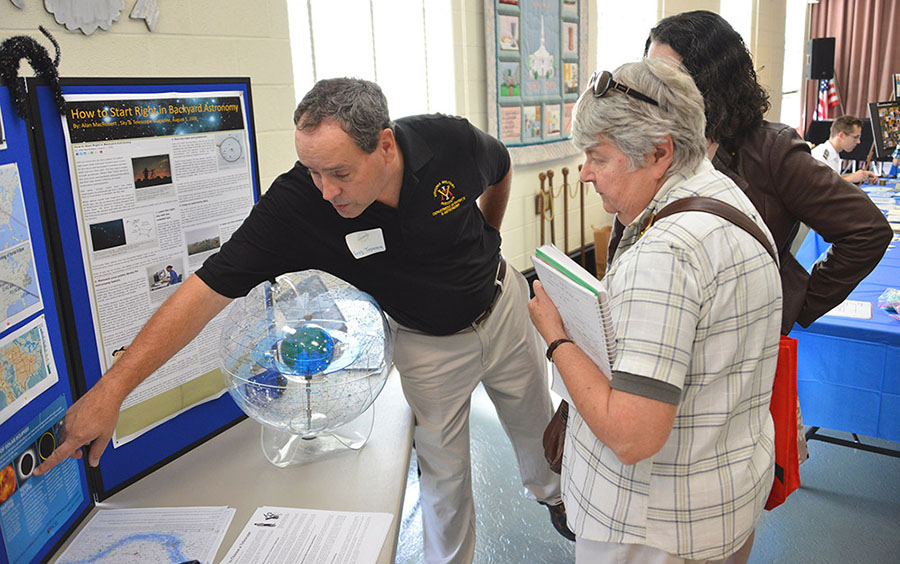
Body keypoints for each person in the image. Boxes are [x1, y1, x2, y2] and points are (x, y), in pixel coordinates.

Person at [34, 78, 565, 563]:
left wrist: (489, 243)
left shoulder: (447, 142)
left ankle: (558, 504)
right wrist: (113, 390)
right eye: (313, 171)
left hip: (503, 310)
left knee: (540, 445)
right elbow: (205, 290)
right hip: (428, 344)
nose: (327, 191)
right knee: (443, 481)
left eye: (339, 173)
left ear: (384, 145)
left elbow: (498, 171)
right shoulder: (298, 205)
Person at [643, 10, 893, 564]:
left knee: (724, 506)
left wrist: (792, 304)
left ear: (710, 79)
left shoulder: (771, 150)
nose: (651, 90)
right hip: (667, 354)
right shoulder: (657, 143)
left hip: (736, 363)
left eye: (668, 77)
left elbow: (866, 230)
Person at [529, 57, 782, 563]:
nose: (585, 174)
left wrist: (556, 337)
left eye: (598, 157)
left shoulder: (665, 253)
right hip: (722, 496)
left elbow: (632, 434)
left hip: (652, 530)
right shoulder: (727, 199)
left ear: (658, 152)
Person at [810, 115, 878, 183]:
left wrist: (860, 175)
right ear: (841, 135)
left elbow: (833, 178)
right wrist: (851, 178)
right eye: (855, 137)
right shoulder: (821, 156)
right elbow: (822, 185)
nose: (858, 141)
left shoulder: (833, 152)